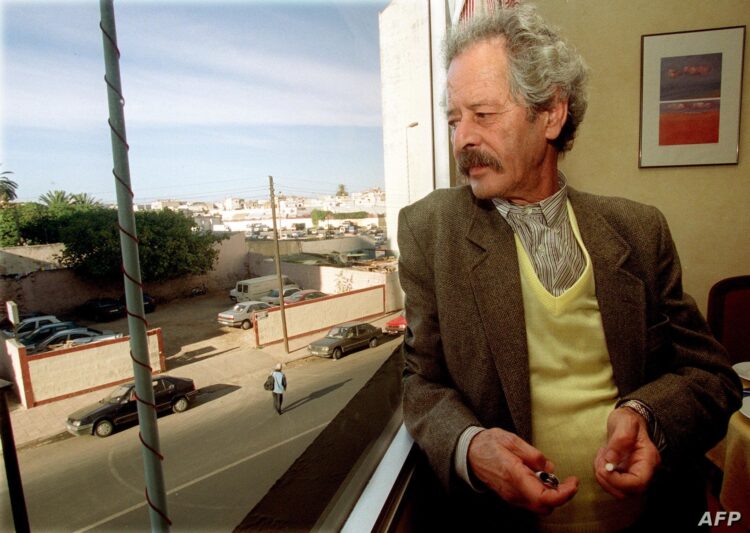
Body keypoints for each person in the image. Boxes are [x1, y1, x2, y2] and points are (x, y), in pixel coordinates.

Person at [397, 4, 742, 531]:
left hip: (653, 517)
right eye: (453, 119)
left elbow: (712, 377)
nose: (462, 138)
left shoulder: (638, 230)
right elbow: (421, 382)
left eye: (482, 115)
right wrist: (471, 446)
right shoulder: (429, 231)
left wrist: (646, 415)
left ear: (552, 114)